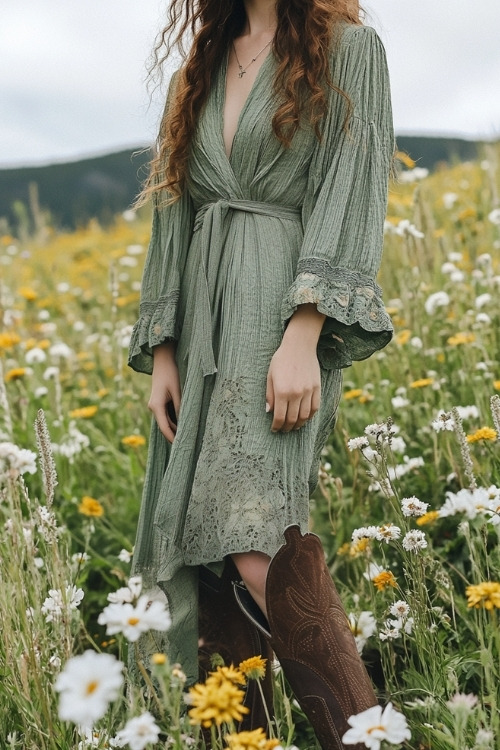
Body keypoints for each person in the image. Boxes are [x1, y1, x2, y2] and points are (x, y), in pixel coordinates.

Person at [128, 0, 394, 746]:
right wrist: (163, 354)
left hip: (275, 312)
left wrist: (305, 332)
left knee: (256, 539)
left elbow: (352, 186)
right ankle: (246, 738)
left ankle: (367, 737)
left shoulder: (350, 51)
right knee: (203, 545)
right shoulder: (202, 65)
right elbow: (175, 210)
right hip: (199, 324)